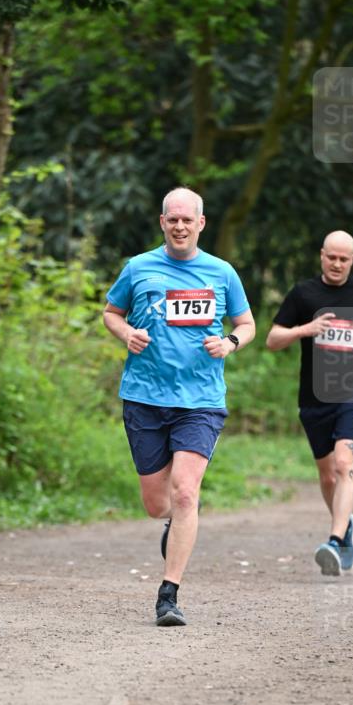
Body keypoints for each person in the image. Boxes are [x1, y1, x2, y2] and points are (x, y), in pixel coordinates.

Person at [104, 187, 255, 625]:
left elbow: (246, 324)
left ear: (201, 224)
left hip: (201, 400)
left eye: (188, 219)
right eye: (173, 219)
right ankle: (176, 522)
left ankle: (168, 595)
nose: (180, 226)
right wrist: (125, 333)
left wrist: (228, 342)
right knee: (158, 504)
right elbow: (111, 312)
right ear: (163, 222)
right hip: (145, 397)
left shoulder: (222, 272)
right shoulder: (139, 268)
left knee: (186, 491)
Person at [266, 231, 353, 575]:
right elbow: (273, 339)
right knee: (326, 474)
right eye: (331, 257)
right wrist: (306, 329)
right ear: (322, 256)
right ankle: (346, 525)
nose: (337, 264)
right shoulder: (303, 294)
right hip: (313, 398)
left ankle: (334, 540)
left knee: (343, 461)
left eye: (344, 259)